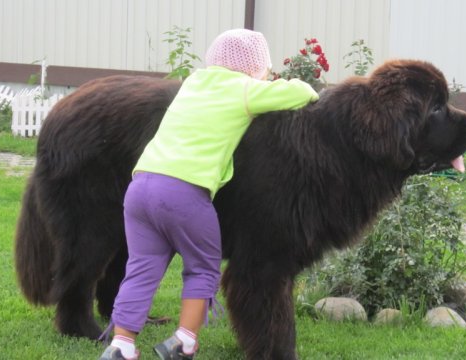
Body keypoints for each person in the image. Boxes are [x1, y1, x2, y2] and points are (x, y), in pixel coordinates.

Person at [99, 28, 319, 360]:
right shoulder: (245, 89)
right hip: (183, 192)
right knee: (202, 268)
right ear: (255, 68)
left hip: (140, 188)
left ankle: (121, 344)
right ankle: (185, 340)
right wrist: (275, 82)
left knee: (141, 268)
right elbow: (301, 93)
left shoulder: (193, 84)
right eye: (265, 68)